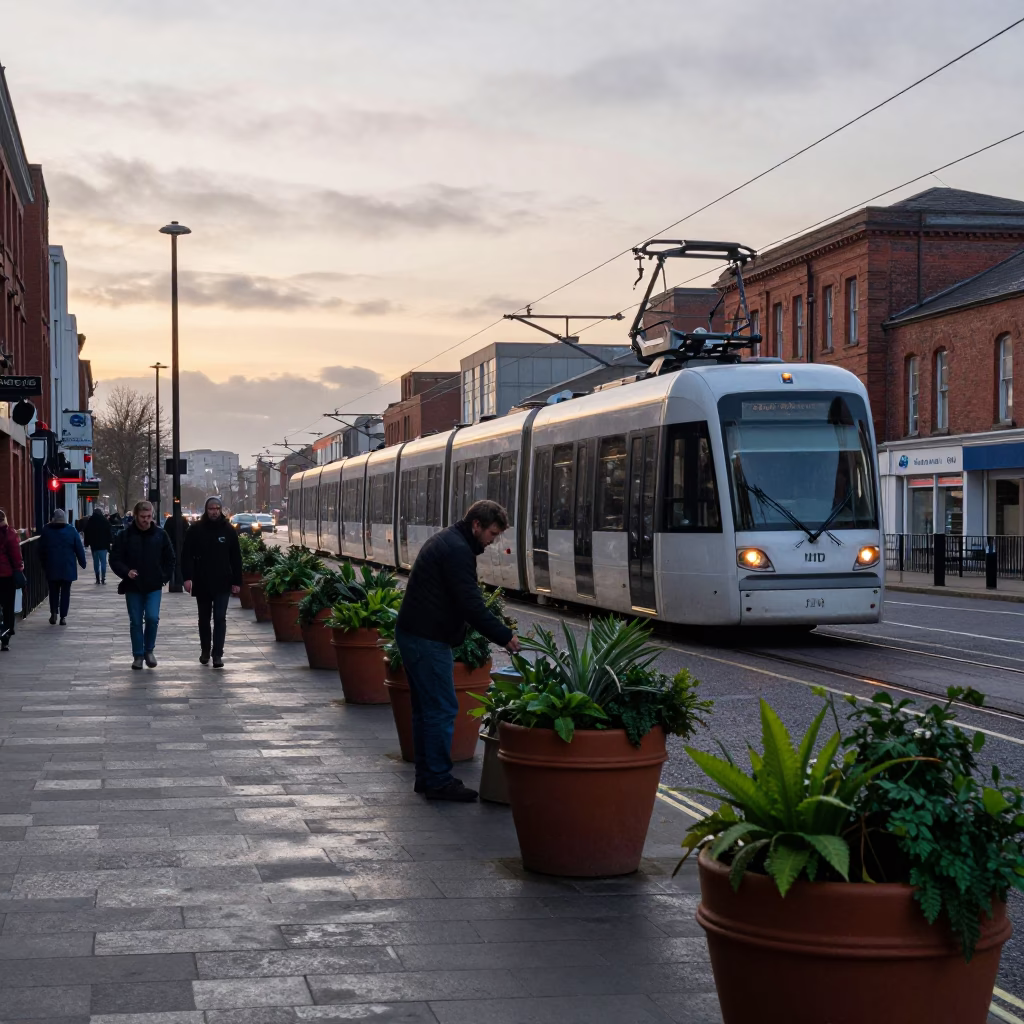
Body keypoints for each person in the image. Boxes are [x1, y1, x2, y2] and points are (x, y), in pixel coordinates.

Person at [395, 498, 520, 802]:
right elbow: (471, 604)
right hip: (427, 639)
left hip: (415, 634)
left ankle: (427, 777)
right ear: (476, 525)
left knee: (426, 710)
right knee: (441, 708)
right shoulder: (457, 551)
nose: (492, 542)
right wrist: (504, 636)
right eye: (491, 533)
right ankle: (437, 780)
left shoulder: (451, 541)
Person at [110, 500, 175, 670]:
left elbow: (170, 558)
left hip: (154, 584)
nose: (146, 520)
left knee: (152, 618)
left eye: (149, 516)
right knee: (136, 621)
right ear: (136, 516)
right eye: (143, 517)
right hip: (133, 585)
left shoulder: (160, 535)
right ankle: (138, 655)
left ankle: (149, 650)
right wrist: (126, 572)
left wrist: (164, 577)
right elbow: (115, 558)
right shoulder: (125, 536)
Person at [181, 496, 242, 668]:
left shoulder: (228, 530)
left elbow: (236, 558)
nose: (214, 511)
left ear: (221, 510)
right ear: (206, 510)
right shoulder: (195, 529)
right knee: (204, 618)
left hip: (223, 581)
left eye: (217, 508)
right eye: (211, 508)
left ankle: (218, 654)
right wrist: (187, 577)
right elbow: (186, 555)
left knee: (220, 618)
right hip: (202, 581)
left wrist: (237, 581)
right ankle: (205, 650)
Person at [38, 509, 87, 626]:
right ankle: (63, 617)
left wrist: (44, 564)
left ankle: (54, 612)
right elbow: (78, 548)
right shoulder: (71, 530)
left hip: (52, 566)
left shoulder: (46, 530)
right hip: (67, 567)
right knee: (65, 592)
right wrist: (82, 562)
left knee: (53, 591)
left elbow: (40, 550)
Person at [0, 508, 25, 652]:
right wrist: (19, 570)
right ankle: (5, 638)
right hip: (7, 576)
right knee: (8, 607)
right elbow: (16, 556)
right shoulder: (10, 534)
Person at [83, 507, 113, 584]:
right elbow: (109, 533)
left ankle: (97, 578)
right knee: (103, 562)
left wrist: (86, 543)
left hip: (94, 546)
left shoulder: (90, 521)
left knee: (96, 562)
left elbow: (87, 533)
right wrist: (111, 542)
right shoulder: (105, 521)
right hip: (103, 545)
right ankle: (103, 578)